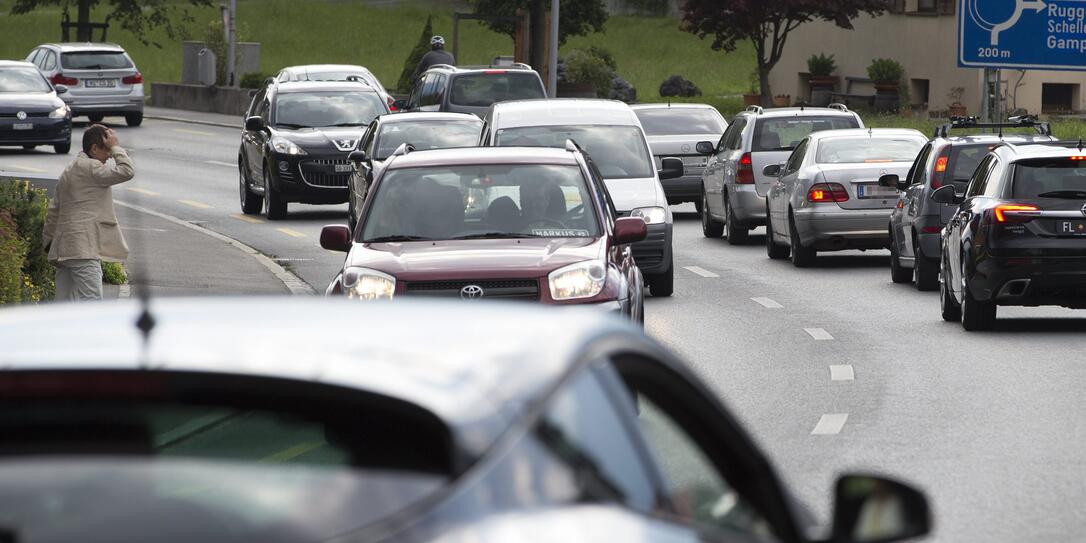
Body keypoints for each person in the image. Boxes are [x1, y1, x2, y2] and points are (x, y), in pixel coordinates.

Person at [43, 124, 135, 301]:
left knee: (62, 304)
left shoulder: (69, 170)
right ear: (94, 148)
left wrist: (48, 243)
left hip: (63, 249)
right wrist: (116, 146)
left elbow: (53, 211)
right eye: (106, 150)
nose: (109, 157)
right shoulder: (92, 167)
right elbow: (127, 171)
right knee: (92, 300)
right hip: (83, 248)